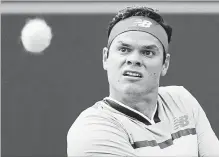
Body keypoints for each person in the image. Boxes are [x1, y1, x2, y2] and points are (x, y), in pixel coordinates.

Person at [67, 6, 219, 156]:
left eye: (147, 52)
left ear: (165, 64)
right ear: (105, 58)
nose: (134, 59)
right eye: (124, 49)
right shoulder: (92, 129)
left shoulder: (181, 100)